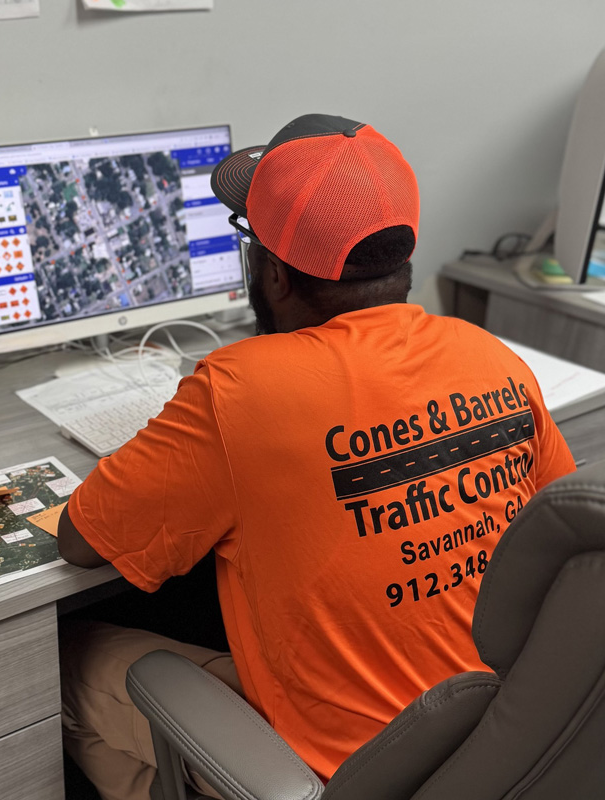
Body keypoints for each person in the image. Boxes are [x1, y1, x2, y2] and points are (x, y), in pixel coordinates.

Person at [56, 113, 576, 800]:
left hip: (347, 773)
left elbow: (81, 539)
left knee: (64, 660)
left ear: (273, 273)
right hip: (494, 742)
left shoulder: (238, 392)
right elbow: (558, 539)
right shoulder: (486, 355)